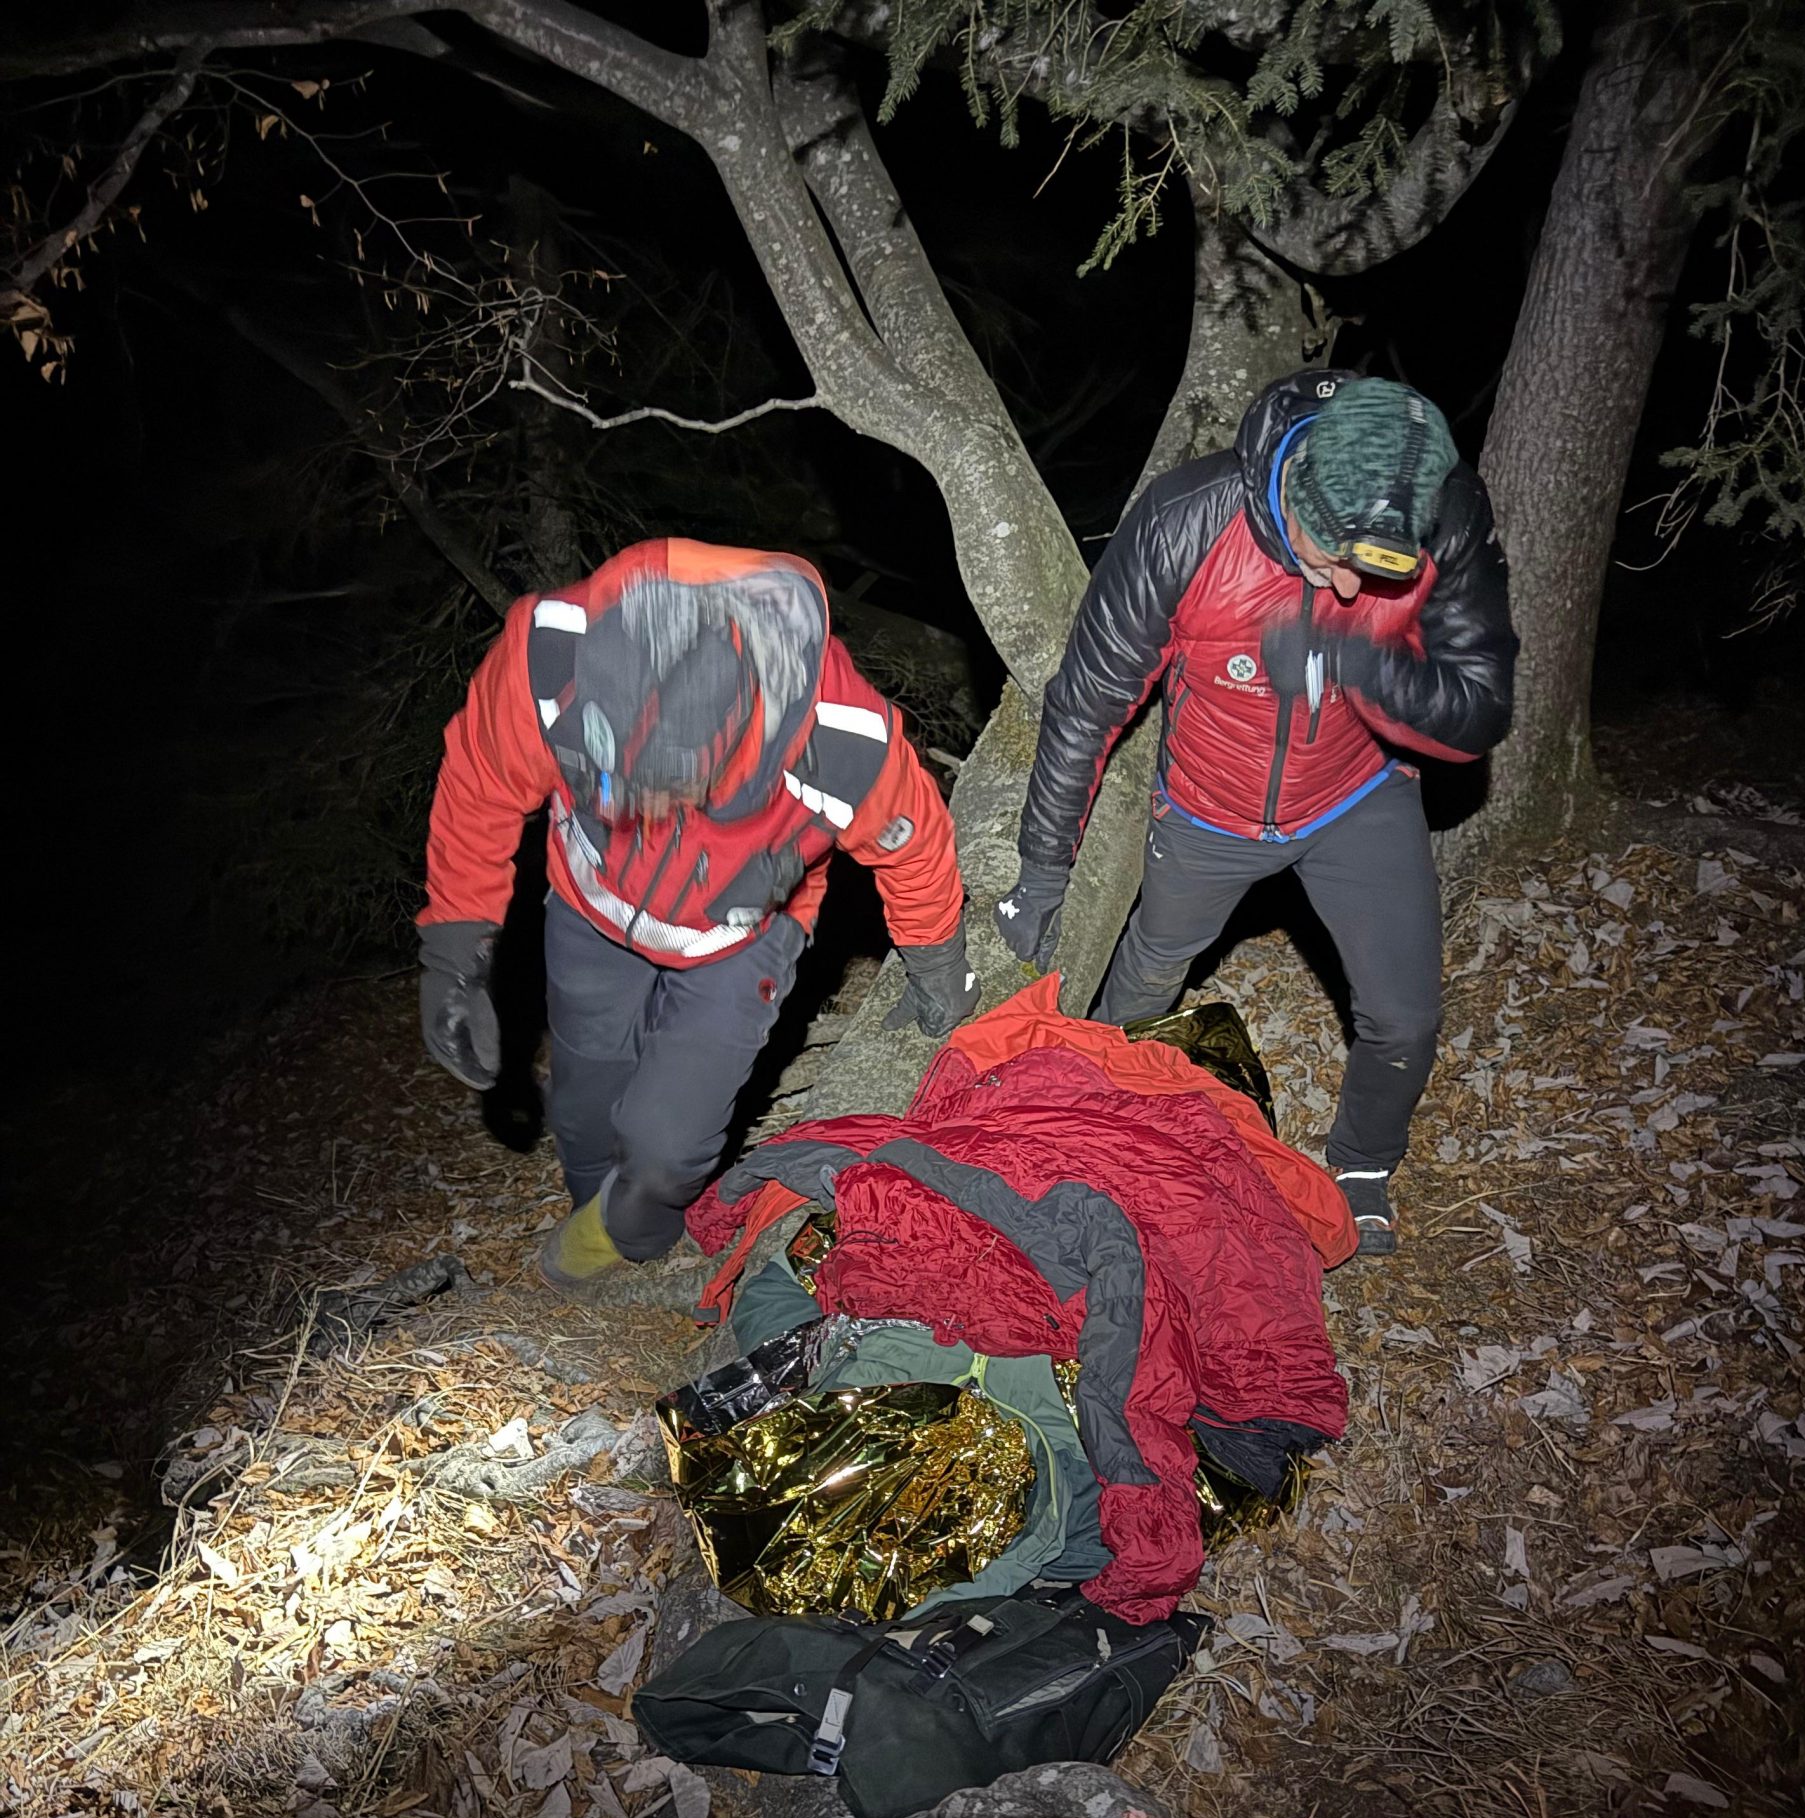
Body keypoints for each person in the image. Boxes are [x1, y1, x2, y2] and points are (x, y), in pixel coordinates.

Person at [996, 371, 1517, 1254]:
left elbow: (1479, 711)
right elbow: (1087, 701)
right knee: (1149, 973)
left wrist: (1356, 663)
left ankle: (1362, 1162)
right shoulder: (1187, 520)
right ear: (1296, 487)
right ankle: (1088, 1122)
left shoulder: (1444, 511)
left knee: (1406, 1018)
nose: (1348, 588)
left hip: (1358, 794)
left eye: (1370, 568)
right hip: (1209, 805)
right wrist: (1044, 866)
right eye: (1331, 553)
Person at [418, 538, 975, 1294]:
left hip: (741, 936)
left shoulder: (839, 739)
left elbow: (915, 846)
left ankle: (632, 1237)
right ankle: (591, 1201)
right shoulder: (550, 652)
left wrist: (938, 961)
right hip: (590, 905)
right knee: (582, 1106)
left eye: (652, 789)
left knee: (667, 1148)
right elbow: (480, 780)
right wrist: (454, 952)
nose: (622, 801)